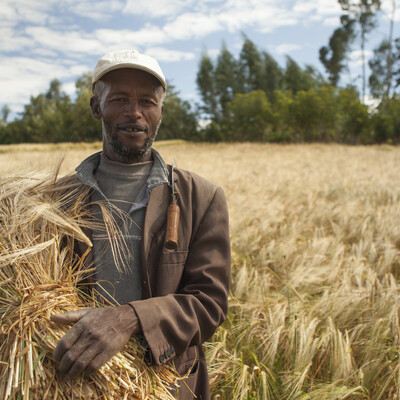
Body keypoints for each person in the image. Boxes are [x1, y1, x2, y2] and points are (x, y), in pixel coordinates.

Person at [50, 49, 231, 399]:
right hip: (74, 383)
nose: (135, 113)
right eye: (119, 99)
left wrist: (128, 318)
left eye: (147, 102)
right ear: (95, 107)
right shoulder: (54, 201)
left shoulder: (201, 197)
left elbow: (210, 303)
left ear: (161, 111)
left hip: (167, 383)